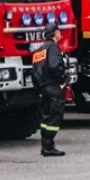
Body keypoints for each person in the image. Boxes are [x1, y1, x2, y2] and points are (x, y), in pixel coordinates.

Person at [32, 23, 70, 156]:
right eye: (59, 31)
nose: (60, 33)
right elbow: (55, 66)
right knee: (55, 116)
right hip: (53, 87)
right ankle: (48, 147)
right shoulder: (53, 48)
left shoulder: (39, 50)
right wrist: (61, 81)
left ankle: (46, 145)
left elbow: (34, 72)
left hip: (43, 88)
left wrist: (40, 87)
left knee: (47, 116)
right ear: (55, 33)